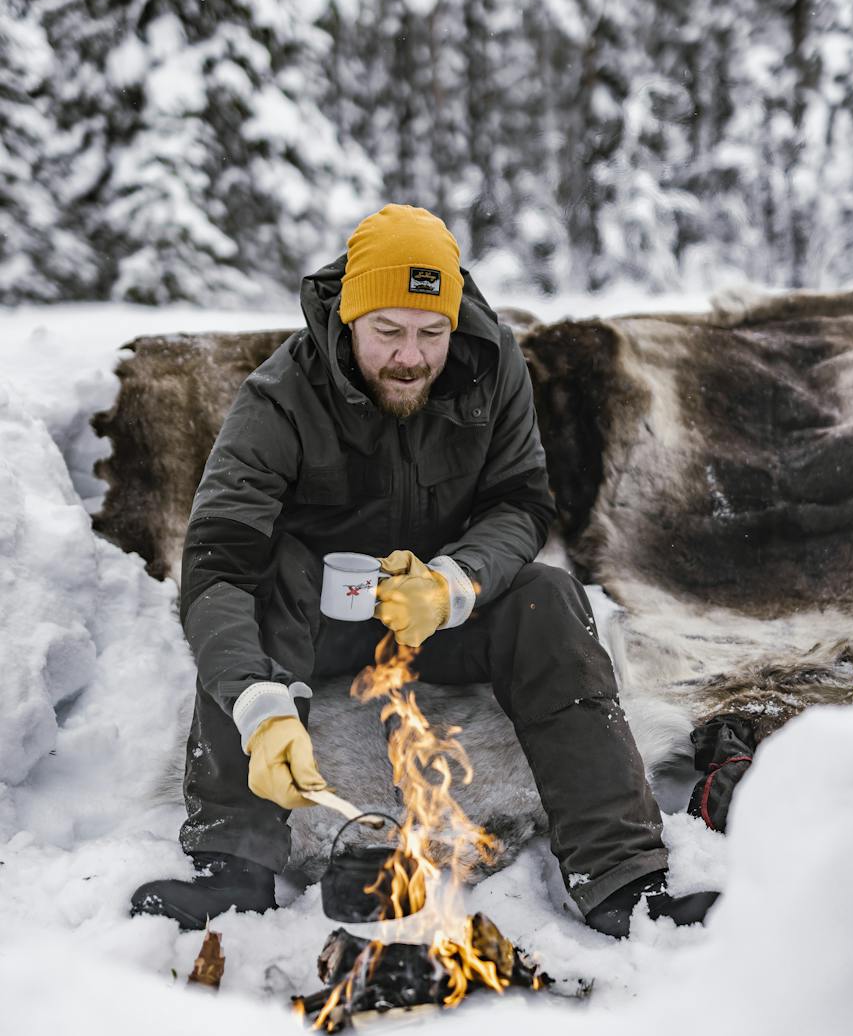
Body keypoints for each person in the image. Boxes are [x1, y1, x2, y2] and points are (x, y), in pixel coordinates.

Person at [131, 204, 717, 938]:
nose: (411, 355)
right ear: (348, 319)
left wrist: (454, 582)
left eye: (431, 332)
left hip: (443, 617)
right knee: (260, 581)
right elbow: (216, 565)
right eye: (388, 331)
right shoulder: (277, 398)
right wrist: (256, 702)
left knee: (548, 597)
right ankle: (232, 867)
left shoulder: (491, 365)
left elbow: (520, 502)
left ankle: (623, 880)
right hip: (318, 620)